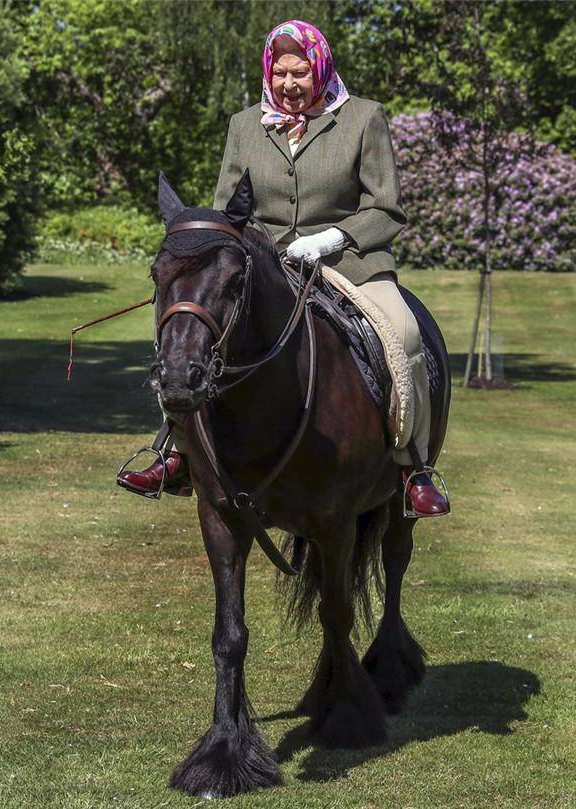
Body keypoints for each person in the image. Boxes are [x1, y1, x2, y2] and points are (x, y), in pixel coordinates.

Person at [118, 19, 449, 517]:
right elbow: (228, 210)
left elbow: (386, 208)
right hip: (264, 263)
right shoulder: (244, 125)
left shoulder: (363, 118)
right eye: (281, 74)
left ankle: (412, 466)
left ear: (320, 68)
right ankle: (178, 452)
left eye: (300, 73)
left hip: (349, 261)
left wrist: (331, 239)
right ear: (268, 73)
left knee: (404, 332)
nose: (290, 84)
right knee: (193, 329)